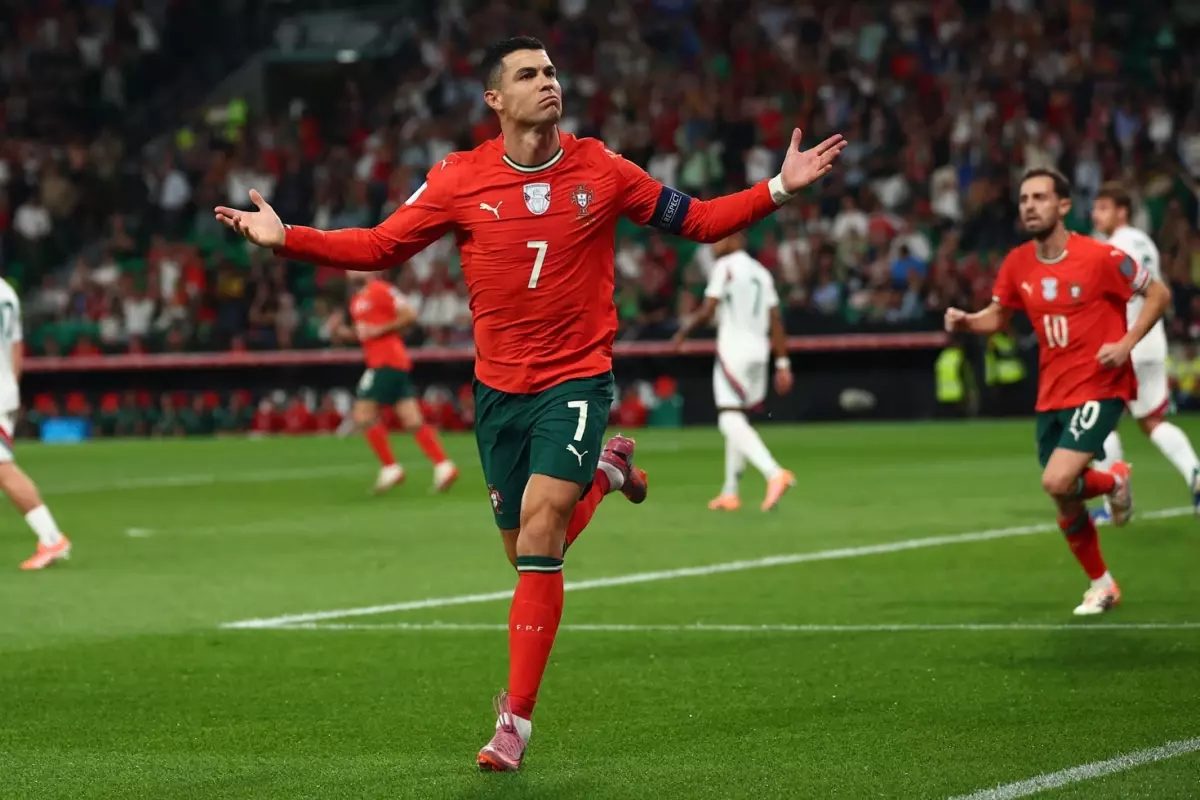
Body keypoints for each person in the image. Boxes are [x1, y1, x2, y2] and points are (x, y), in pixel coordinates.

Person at [215, 35, 844, 771]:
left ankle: (513, 723)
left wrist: (778, 188)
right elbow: (382, 246)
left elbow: (699, 219)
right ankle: (607, 475)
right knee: (525, 554)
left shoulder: (602, 168)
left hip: (576, 379)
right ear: (495, 100)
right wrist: (287, 238)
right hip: (498, 392)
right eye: (528, 74)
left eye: (550, 71)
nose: (548, 82)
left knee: (543, 532)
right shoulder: (458, 177)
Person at [945, 168, 1171, 616]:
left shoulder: (1102, 256)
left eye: (1040, 197)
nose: (1030, 206)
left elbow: (1158, 294)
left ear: (1064, 205)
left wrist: (1127, 343)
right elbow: (998, 315)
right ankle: (1102, 584)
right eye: (1024, 199)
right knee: (1064, 496)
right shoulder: (1017, 263)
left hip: (1101, 385)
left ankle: (1114, 481)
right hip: (1053, 392)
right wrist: (969, 322)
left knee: (1056, 480)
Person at [1089, 182, 1200, 520]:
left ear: (1122, 211)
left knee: (1098, 424)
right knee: (1153, 421)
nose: (1096, 215)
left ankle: (1114, 503)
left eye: (1104, 208)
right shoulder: (1144, 241)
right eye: (1095, 208)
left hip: (1122, 344)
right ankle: (1195, 472)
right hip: (1152, 341)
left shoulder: (1113, 247)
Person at [672, 232, 796, 511]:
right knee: (738, 418)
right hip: (760, 352)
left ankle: (774, 472)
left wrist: (683, 333)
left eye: (719, 239)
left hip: (734, 351)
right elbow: (776, 319)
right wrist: (783, 364)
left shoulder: (725, 266)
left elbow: (708, 310)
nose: (714, 245)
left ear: (735, 239)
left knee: (728, 420)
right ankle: (730, 492)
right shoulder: (761, 271)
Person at [328, 272, 457, 494]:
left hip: (385, 362)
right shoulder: (356, 300)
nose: (349, 271)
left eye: (354, 267)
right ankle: (443, 466)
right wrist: (340, 331)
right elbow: (364, 334)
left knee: (362, 415)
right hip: (389, 362)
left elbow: (409, 315)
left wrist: (381, 329)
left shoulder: (382, 290)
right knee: (412, 419)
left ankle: (390, 467)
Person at [0, 277, 72, 570]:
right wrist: (10, 388)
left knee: (3, 468)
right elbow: (16, 347)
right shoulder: (6, 292)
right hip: (4, 388)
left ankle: (51, 537)